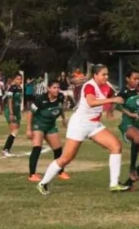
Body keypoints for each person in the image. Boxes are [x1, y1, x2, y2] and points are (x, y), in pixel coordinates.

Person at [37, 64, 128, 195]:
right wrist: (112, 99)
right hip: (80, 124)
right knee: (66, 158)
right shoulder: (89, 86)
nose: (106, 77)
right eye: (103, 74)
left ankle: (114, 184)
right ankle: (43, 183)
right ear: (95, 75)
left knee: (116, 146)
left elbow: (115, 100)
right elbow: (91, 102)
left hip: (94, 125)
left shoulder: (107, 86)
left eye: (107, 74)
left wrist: (111, 109)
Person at [27, 80, 70, 182]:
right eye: (54, 88)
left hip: (51, 125)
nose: (57, 90)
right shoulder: (40, 99)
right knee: (37, 147)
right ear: (49, 89)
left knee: (58, 149)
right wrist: (29, 129)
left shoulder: (60, 97)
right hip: (38, 124)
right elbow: (30, 113)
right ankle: (32, 174)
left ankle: (60, 172)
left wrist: (64, 119)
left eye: (58, 88)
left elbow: (60, 108)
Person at [2, 73, 23, 157]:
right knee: (14, 130)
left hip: (17, 111)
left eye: (21, 79)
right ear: (14, 80)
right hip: (10, 111)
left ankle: (8, 149)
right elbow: (9, 101)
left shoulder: (20, 88)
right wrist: (11, 113)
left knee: (15, 130)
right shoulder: (12, 88)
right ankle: (5, 149)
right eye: (18, 79)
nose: (20, 81)